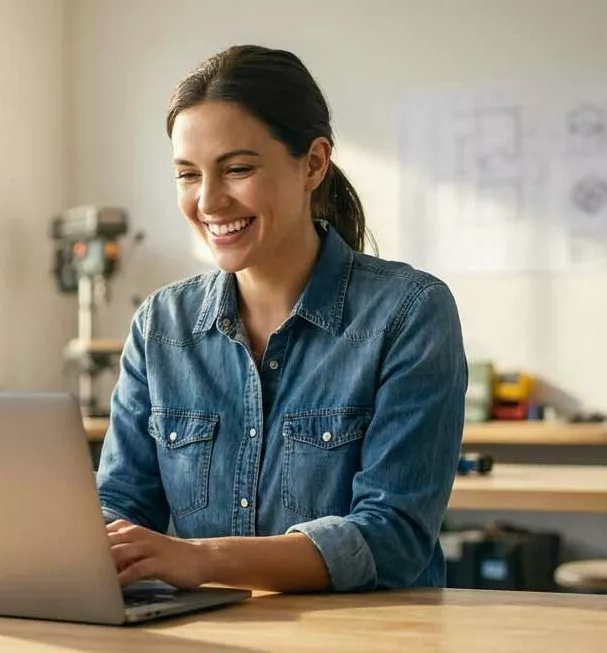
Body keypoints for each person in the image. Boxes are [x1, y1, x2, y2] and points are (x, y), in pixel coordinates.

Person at [96, 45, 467, 594]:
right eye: (187, 175)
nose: (209, 201)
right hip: (203, 634)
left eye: (237, 169)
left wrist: (201, 559)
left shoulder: (409, 312)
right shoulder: (160, 325)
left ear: (313, 163)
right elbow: (121, 506)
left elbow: (391, 538)